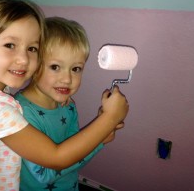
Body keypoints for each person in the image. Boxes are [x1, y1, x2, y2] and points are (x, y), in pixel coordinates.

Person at [0, 0, 129, 191]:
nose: (23, 59)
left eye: (31, 48)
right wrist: (109, 118)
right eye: (10, 45)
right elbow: (55, 158)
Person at [15, 17, 125, 191]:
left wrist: (99, 138)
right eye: (55, 67)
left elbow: (75, 153)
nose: (67, 79)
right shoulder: (20, 112)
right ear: (34, 64)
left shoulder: (67, 105)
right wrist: (100, 134)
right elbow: (44, 174)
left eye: (75, 69)